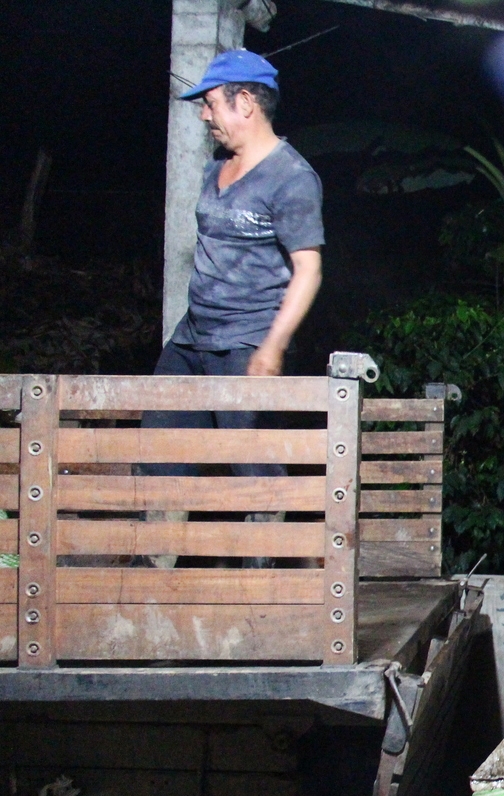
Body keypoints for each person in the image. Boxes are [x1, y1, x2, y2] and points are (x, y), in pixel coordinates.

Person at [141, 49, 323, 567]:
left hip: (247, 338)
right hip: (192, 335)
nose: (204, 115)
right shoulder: (213, 170)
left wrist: (272, 346)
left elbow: (308, 269)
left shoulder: (292, 178)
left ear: (245, 102)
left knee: (250, 465)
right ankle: (157, 580)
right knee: (159, 450)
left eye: (210, 104)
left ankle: (256, 588)